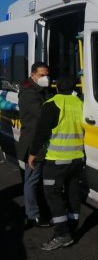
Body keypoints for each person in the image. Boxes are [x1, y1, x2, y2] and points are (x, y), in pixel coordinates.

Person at [28, 76, 84, 251]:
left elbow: (41, 132)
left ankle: (62, 234)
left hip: (57, 159)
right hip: (77, 158)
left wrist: (32, 153)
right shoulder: (80, 102)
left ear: (57, 87)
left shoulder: (52, 104)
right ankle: (72, 224)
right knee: (73, 191)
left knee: (52, 194)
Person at [18, 62, 51, 228]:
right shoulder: (29, 93)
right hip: (33, 143)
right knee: (31, 180)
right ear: (33, 75)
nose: (45, 78)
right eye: (42, 75)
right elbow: (42, 114)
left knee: (38, 180)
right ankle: (33, 215)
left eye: (47, 75)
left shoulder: (40, 89)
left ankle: (40, 210)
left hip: (40, 141)